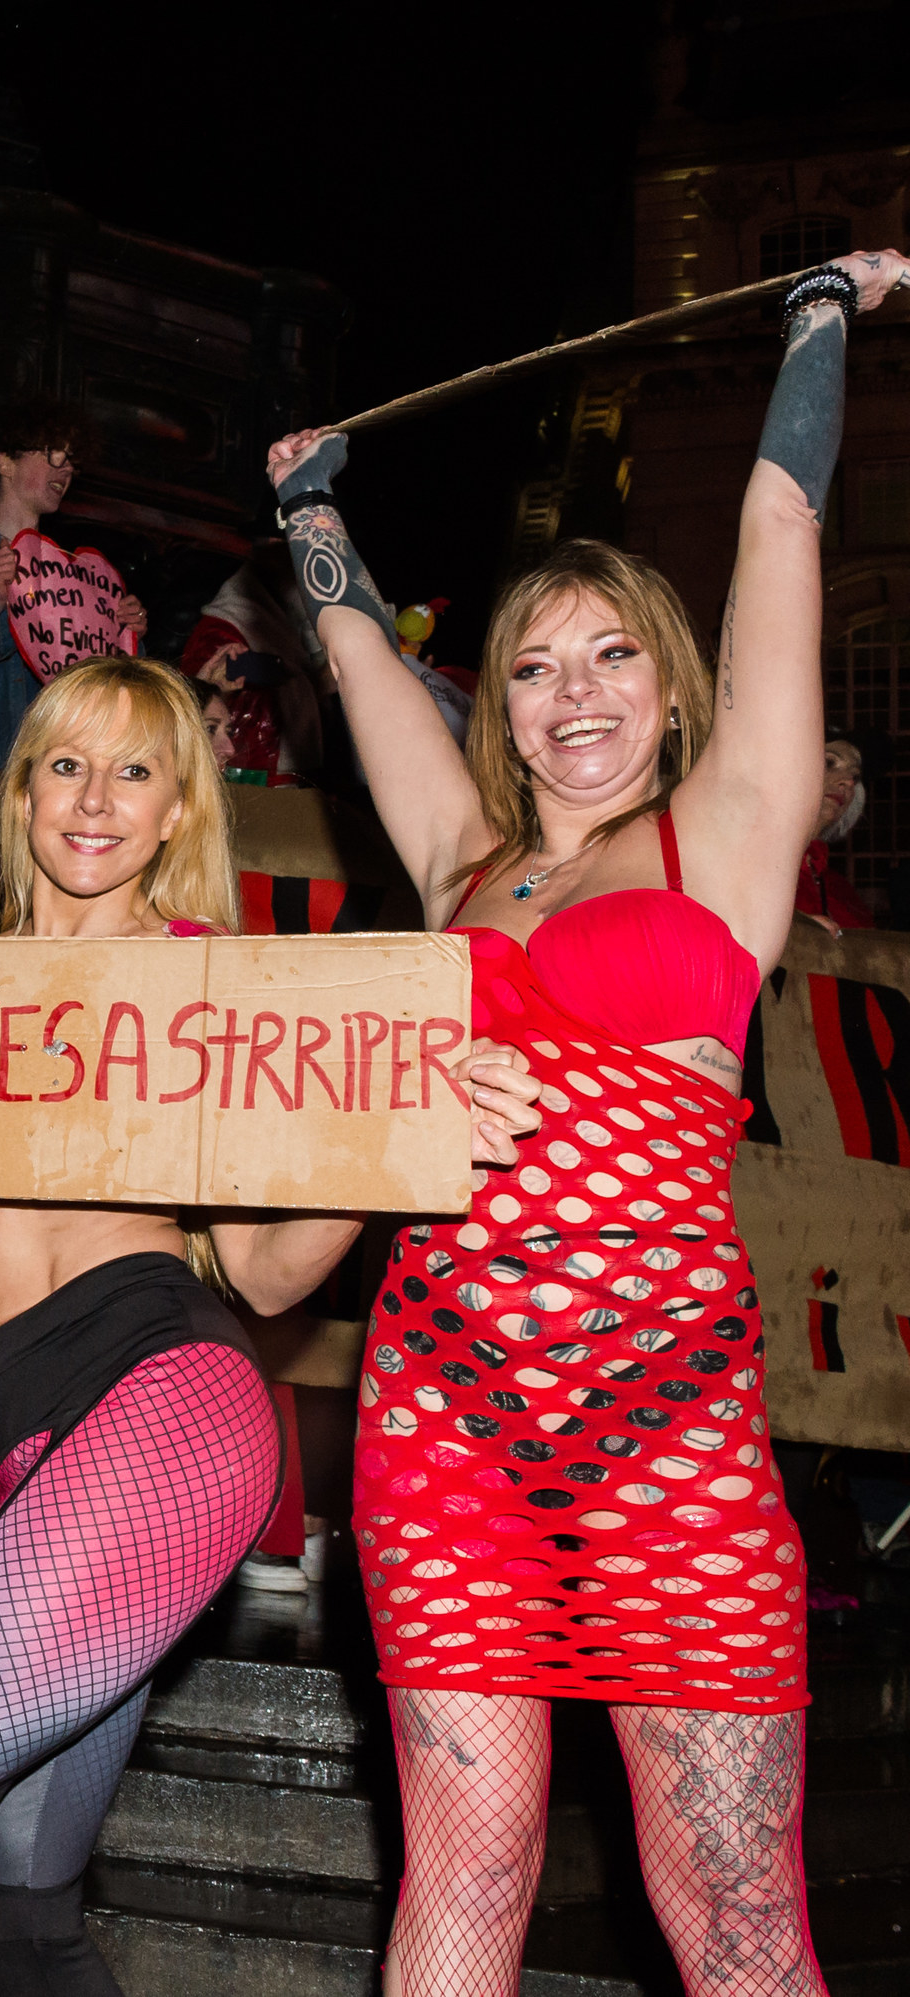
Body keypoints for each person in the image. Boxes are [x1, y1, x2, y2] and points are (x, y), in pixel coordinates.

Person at [259, 242, 903, 1997]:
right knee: (462, 1878)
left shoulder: (730, 829)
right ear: (506, 703)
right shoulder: (464, 862)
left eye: (616, 653)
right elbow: (354, 655)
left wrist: (817, 322)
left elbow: (779, 532)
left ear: (672, 681)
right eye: (537, 666)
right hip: (440, 1417)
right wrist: (308, 507)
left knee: (738, 1914)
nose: (579, 690)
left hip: (671, 1434)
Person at [0, 657, 538, 1997]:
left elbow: (266, 1277)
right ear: (20, 791)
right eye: (65, 765)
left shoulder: (202, 987)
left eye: (134, 771)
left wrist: (385, 1145)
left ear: (176, 817)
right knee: (23, 1903)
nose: (95, 800)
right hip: (25, 1448)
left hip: (158, 1410)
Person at [0, 399, 148, 776]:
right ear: (5, 463)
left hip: (45, 772)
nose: (65, 469)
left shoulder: (73, 572)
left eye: (71, 461)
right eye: (53, 454)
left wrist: (128, 637)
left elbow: (102, 687)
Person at [800, 729, 875, 931]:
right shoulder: (745, 861)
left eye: (855, 777)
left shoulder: (842, 892)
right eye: (830, 763)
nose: (848, 782)